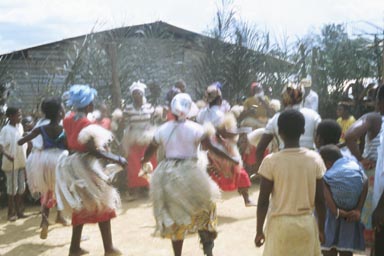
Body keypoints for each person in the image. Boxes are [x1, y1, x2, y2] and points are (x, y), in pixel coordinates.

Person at [142, 93, 220, 256]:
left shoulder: (163, 128)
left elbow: (151, 147)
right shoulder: (196, 128)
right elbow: (210, 148)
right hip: (191, 171)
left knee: (175, 214)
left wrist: (144, 160)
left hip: (168, 173)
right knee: (205, 208)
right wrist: (229, 159)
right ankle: (208, 248)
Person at [55, 84, 126, 256]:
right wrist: (117, 159)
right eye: (92, 103)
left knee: (82, 205)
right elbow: (92, 149)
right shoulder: (86, 123)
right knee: (103, 203)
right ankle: (108, 248)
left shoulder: (68, 119)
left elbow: (66, 140)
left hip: (73, 164)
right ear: (88, 106)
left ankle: (74, 248)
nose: (93, 105)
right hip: (86, 165)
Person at [255, 109, 326, 255]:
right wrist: (321, 229)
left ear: (279, 132)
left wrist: (259, 231)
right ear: (303, 130)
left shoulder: (270, 161)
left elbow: (263, 201)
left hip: (280, 227)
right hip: (306, 225)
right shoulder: (315, 159)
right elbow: (320, 200)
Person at [18, 97, 68, 239]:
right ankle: (61, 215)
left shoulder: (40, 127)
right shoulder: (63, 128)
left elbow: (22, 141)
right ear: (59, 113)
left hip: (43, 161)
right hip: (59, 160)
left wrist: (25, 137)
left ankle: (45, 221)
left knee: (46, 191)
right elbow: (68, 145)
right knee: (60, 189)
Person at [344, 85, 384, 253]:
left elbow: (350, 135)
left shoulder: (374, 118)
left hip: (375, 176)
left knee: (374, 229)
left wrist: (360, 158)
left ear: (378, 101)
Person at [254, 82, 321, 174]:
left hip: (283, 166)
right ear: (302, 97)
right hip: (310, 165)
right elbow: (323, 142)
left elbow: (260, 149)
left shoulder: (276, 118)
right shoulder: (313, 115)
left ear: (283, 98)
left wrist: (261, 174)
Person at [319, 145, 367, 256]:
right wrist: (358, 209)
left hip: (332, 215)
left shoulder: (328, 174)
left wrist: (337, 211)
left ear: (328, 164)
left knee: (328, 249)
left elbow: (324, 188)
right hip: (351, 214)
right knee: (346, 250)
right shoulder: (353, 164)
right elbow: (364, 181)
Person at [122, 81, 157, 200]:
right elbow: (124, 120)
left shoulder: (149, 107)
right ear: (132, 95)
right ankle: (134, 189)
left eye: (139, 93)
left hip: (147, 137)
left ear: (143, 94)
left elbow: (154, 119)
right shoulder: (128, 108)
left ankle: (148, 187)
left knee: (149, 161)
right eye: (135, 94)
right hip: (133, 138)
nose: (137, 96)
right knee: (134, 163)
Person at [0, 107, 28, 222]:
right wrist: (7, 155)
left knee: (21, 187)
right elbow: (1, 146)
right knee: (12, 188)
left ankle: (19, 211)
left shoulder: (20, 127)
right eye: (18, 115)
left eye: (20, 115)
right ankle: (10, 213)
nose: (20, 117)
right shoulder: (5, 129)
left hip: (21, 161)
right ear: (10, 117)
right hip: (11, 163)